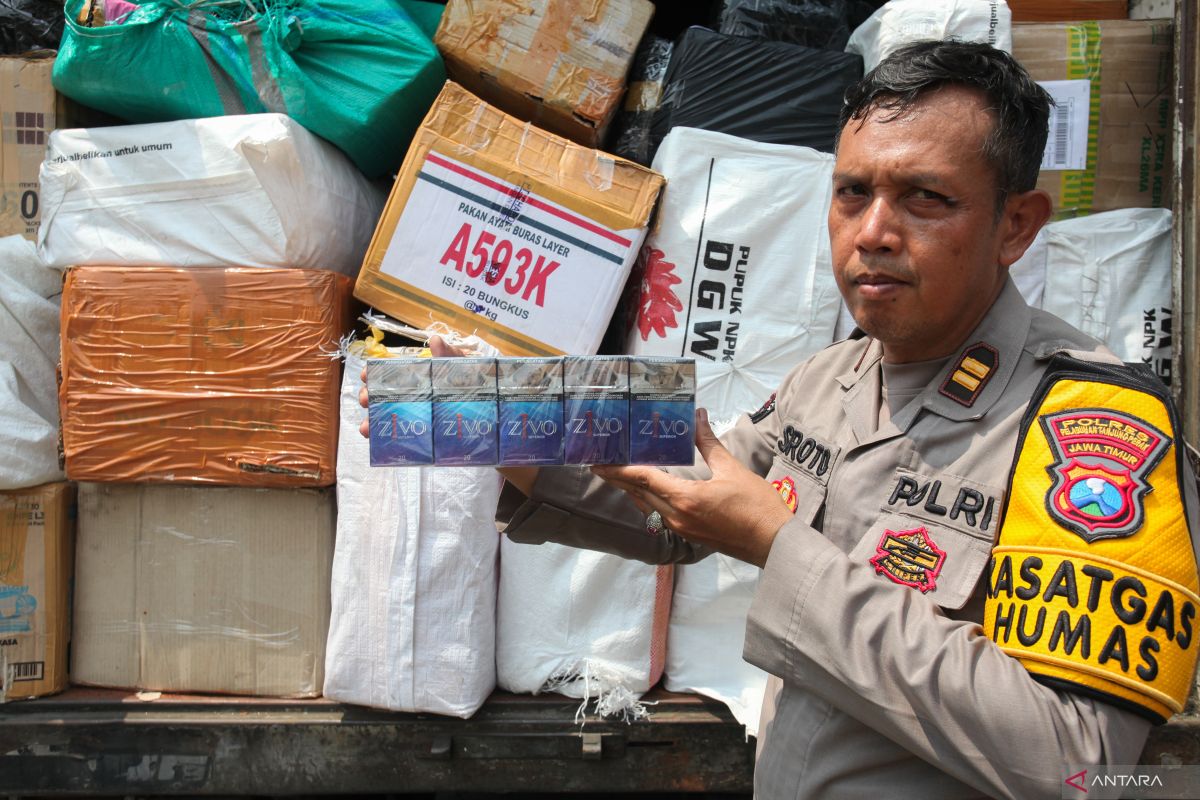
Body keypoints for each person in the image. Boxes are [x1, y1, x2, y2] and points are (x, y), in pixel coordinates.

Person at [361, 40, 1200, 799]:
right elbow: (697, 490)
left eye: (925, 199)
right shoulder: (833, 377)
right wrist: (494, 421)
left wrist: (779, 546)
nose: (873, 233)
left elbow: (1087, 766)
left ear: (1016, 225)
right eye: (852, 194)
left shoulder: (1096, 434)